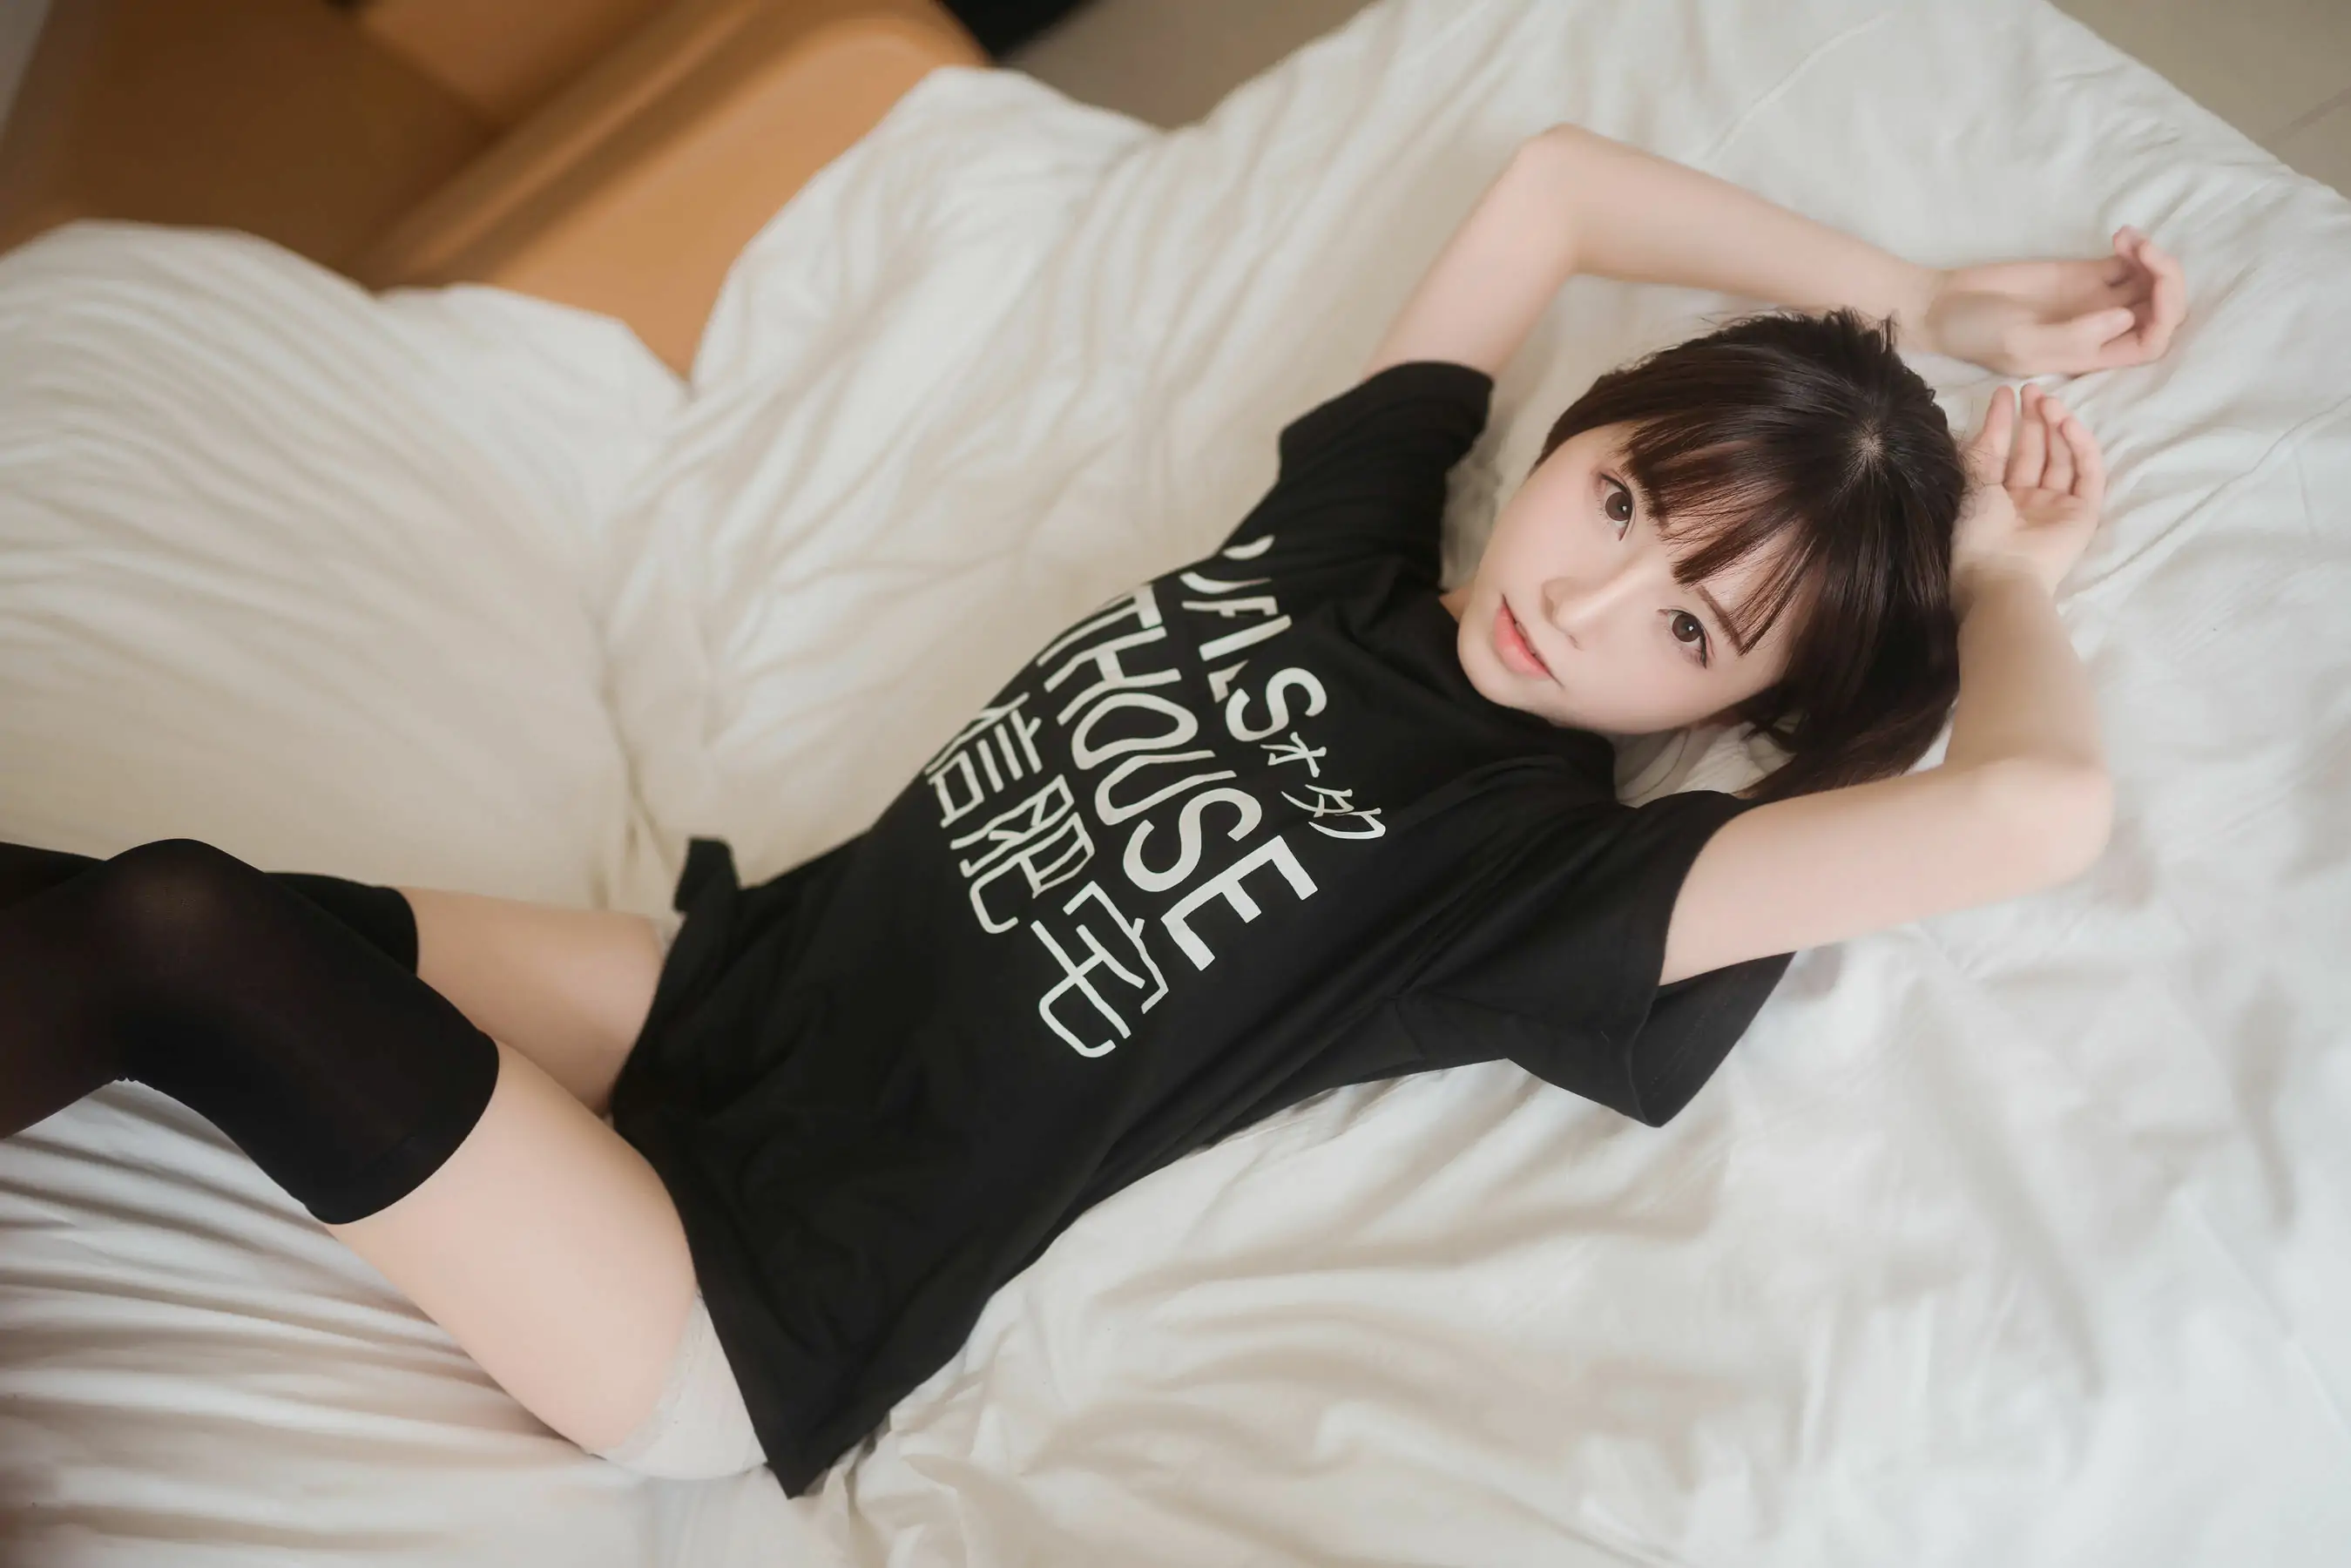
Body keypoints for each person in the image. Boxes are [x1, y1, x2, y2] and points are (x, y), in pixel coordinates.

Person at [0, 125, 2185, 1493]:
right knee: (76, 900)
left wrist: (2000, 574)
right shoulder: (1342, 534)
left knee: (177, 930)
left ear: (1738, 709)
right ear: (1576, 434)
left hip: (725, 1298)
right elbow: (1549, 187)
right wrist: (1914, 304)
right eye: (1618, 500)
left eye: (1691, 632)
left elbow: (2033, 813)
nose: (1589, 602)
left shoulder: (1537, 876)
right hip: (696, 997)